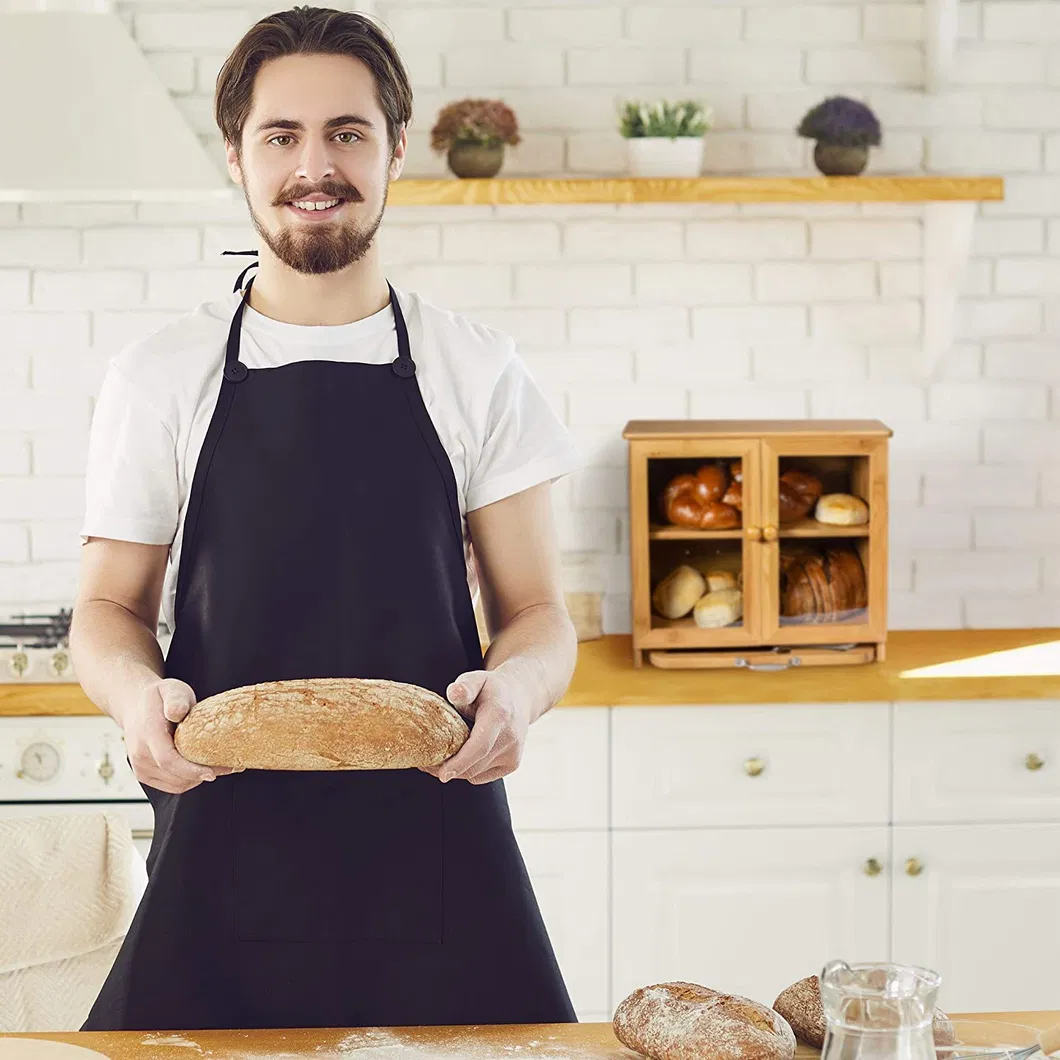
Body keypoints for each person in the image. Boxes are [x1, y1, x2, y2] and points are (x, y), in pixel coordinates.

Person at [71, 5, 581, 1032]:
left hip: (439, 848)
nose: (316, 167)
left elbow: (537, 612)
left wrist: (519, 691)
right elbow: (106, 609)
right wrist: (134, 701)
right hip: (223, 841)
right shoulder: (160, 375)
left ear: (396, 149)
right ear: (236, 155)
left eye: (347, 132)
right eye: (281, 136)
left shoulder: (477, 369)